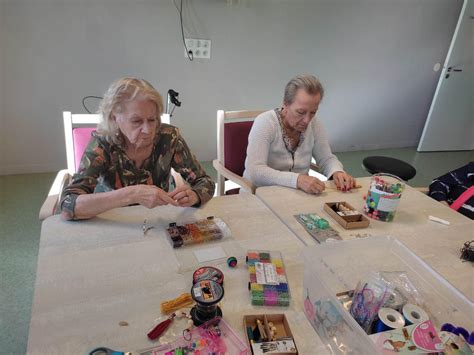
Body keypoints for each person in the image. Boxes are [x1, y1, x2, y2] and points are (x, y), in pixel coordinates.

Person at [61, 77, 215, 220]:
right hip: (113, 221)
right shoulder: (103, 144)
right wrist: (132, 194)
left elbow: (205, 181)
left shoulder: (169, 138)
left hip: (157, 221)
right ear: (115, 118)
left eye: (152, 119)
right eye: (136, 121)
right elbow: (68, 206)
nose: (148, 130)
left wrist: (194, 195)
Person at [243, 74, 355, 194]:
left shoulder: (315, 124)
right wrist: (297, 180)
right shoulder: (265, 123)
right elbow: (255, 171)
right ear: (285, 105)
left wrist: (337, 171)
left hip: (297, 194)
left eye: (313, 112)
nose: (307, 120)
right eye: (301, 112)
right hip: (259, 194)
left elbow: (326, 158)